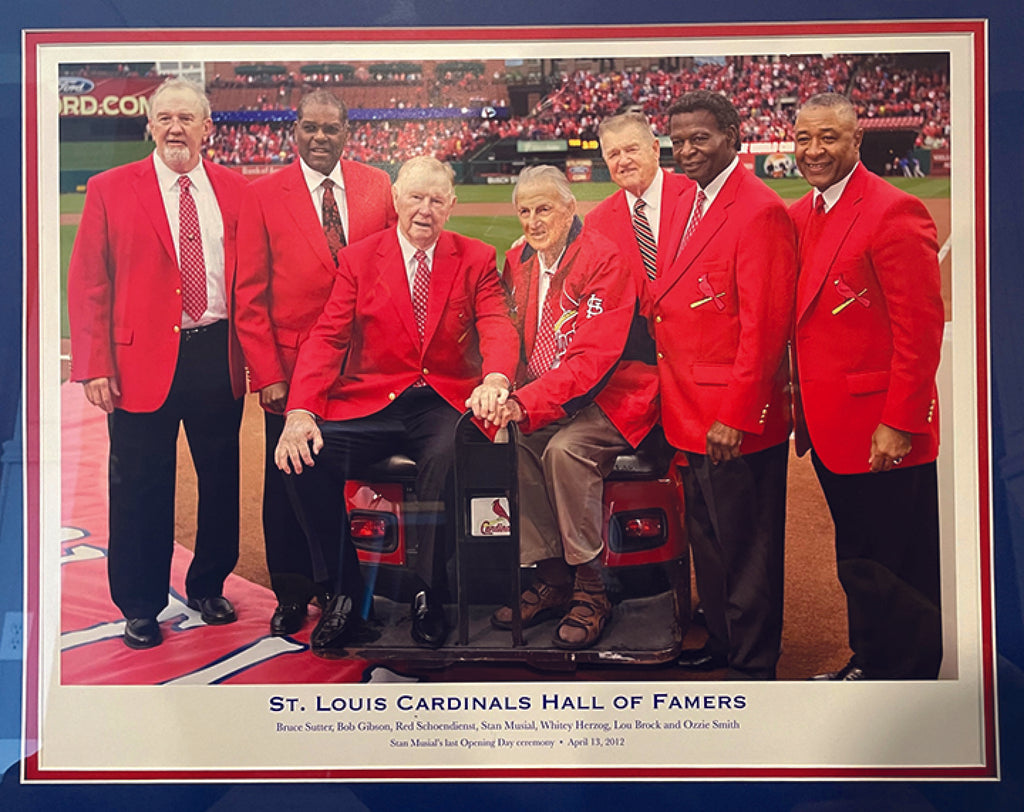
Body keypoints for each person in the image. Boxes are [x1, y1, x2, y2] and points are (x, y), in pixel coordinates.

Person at [275, 156, 518, 650]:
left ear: (451, 206)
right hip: (373, 400)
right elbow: (327, 337)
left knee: (447, 458)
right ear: (395, 200)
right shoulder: (360, 259)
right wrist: (300, 411)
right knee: (302, 460)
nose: (424, 210)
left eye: (435, 200)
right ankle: (344, 592)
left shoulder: (474, 257)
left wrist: (495, 376)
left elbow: (496, 321)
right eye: (415, 197)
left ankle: (427, 591)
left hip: (442, 399)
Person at [67, 78, 249, 650]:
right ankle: (141, 603)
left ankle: (208, 584)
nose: (176, 128)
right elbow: (90, 281)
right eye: (165, 117)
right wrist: (96, 363)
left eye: (187, 118)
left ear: (207, 128)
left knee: (221, 480)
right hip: (137, 361)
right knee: (140, 485)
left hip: (216, 352)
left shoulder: (237, 190)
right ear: (150, 126)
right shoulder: (110, 188)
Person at [791, 92, 944, 680]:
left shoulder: (892, 210)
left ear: (856, 141)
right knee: (858, 557)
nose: (814, 150)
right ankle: (870, 663)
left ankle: (908, 683)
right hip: (831, 428)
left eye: (828, 137)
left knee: (899, 562)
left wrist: (900, 422)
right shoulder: (803, 213)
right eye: (804, 139)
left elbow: (920, 327)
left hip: (883, 428)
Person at [235, 89, 396, 637]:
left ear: (348, 131)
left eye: (331, 128)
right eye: (310, 128)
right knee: (286, 480)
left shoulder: (377, 185)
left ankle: (339, 588)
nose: (320, 137)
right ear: (294, 131)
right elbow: (249, 295)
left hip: (366, 365)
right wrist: (271, 376)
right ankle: (291, 591)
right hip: (292, 368)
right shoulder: (262, 195)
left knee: (337, 475)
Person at [658, 91, 796, 679]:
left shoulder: (759, 208)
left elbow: (764, 328)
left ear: (733, 137)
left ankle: (753, 661)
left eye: (700, 138)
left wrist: (736, 414)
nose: (687, 151)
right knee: (711, 543)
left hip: (730, 419)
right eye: (679, 140)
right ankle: (721, 638)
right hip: (689, 408)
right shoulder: (692, 198)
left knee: (748, 549)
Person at [486, 165, 636, 650]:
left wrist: (526, 402)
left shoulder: (602, 259)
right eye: (524, 211)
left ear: (570, 208)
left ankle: (592, 587)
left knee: (564, 451)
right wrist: (501, 388)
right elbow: (506, 332)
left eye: (543, 208)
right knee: (508, 440)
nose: (532, 220)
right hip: (550, 396)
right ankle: (552, 576)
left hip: (610, 394)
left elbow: (592, 360)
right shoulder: (518, 259)